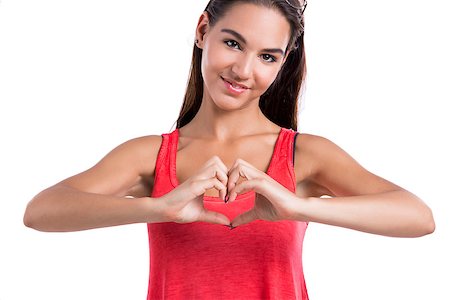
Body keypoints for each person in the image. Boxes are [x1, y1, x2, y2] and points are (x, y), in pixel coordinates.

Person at [23, 0, 435, 299]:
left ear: (283, 62)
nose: (243, 71)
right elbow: (41, 211)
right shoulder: (151, 155)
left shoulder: (303, 155)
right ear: (203, 30)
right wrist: (158, 208)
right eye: (233, 43)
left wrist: (298, 207)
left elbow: (418, 217)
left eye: (267, 56)